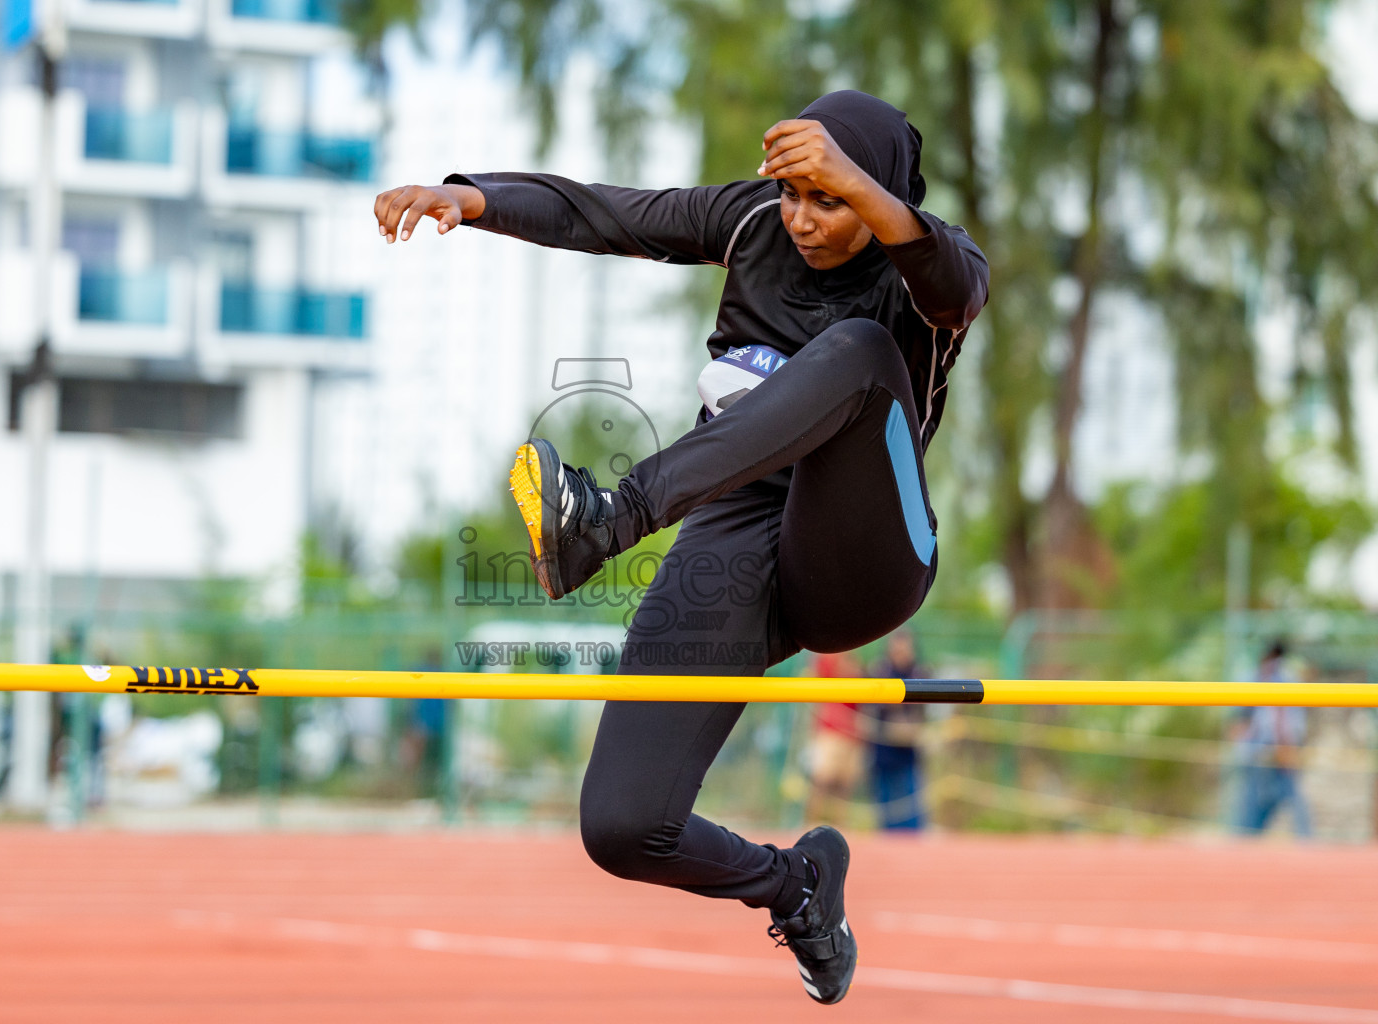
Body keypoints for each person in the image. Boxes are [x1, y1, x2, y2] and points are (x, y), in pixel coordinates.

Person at [374, 90, 987, 1005]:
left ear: (873, 192)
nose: (805, 222)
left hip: (865, 557)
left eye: (829, 204)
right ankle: (801, 891)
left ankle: (608, 523)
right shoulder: (752, 221)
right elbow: (608, 212)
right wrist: (471, 199)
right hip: (737, 538)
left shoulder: (925, 264)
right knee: (622, 824)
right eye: (795, 198)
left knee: (860, 350)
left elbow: (958, 284)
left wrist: (852, 183)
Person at [1231, 640, 1312, 837]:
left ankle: (1306, 842)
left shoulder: (1287, 679)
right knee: (1256, 803)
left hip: (1280, 749)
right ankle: (1247, 842)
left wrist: (1288, 748)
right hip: (1261, 750)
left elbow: (1290, 720)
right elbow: (1240, 720)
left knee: (1291, 800)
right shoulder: (1253, 678)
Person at [864, 629, 929, 831]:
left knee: (910, 804)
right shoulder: (879, 671)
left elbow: (924, 712)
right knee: (885, 807)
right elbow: (869, 709)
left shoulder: (920, 673)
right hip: (882, 748)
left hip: (909, 750)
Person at [804, 651, 865, 826]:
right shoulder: (827, 657)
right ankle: (812, 823)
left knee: (844, 783)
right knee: (822, 779)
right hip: (829, 728)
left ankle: (839, 824)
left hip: (851, 730)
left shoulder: (854, 656)